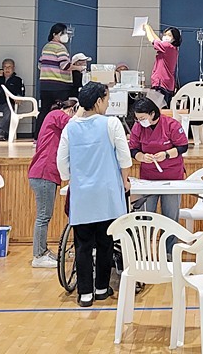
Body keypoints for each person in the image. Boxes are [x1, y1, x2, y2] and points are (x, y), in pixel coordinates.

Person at [58, 82, 132, 307]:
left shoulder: (70, 127)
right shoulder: (112, 123)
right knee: (105, 243)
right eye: (107, 99)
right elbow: (125, 158)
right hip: (107, 194)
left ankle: (85, 294)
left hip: (82, 196)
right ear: (99, 101)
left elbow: (62, 164)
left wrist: (73, 177)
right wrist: (125, 181)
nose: (108, 104)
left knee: (83, 245)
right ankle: (101, 288)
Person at [128, 97, 189, 257]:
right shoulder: (138, 127)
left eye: (142, 118)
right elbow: (133, 149)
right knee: (146, 217)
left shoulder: (171, 125)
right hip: (148, 178)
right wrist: (141, 157)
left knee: (170, 218)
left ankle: (169, 254)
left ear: (152, 113)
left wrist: (166, 154)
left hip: (172, 178)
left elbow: (183, 147)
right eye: (137, 119)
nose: (140, 122)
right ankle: (143, 254)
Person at [28, 97, 78, 268]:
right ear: (71, 110)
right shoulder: (56, 114)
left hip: (45, 173)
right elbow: (74, 125)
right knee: (43, 217)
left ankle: (43, 251)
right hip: (44, 173)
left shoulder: (53, 120)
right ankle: (38, 256)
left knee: (44, 216)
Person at [35, 23, 86, 138]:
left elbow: (40, 65)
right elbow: (64, 65)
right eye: (62, 33)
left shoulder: (46, 47)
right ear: (54, 34)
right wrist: (79, 68)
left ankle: (37, 137)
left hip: (45, 85)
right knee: (63, 110)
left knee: (44, 111)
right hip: (59, 85)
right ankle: (63, 136)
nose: (65, 36)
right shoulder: (60, 48)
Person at [143, 23, 181, 106]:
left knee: (155, 108)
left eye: (169, 35)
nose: (166, 36)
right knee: (163, 108)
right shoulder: (172, 49)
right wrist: (150, 28)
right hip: (167, 84)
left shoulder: (167, 47)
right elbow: (158, 41)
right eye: (165, 34)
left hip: (161, 83)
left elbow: (152, 41)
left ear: (175, 38)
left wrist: (147, 29)